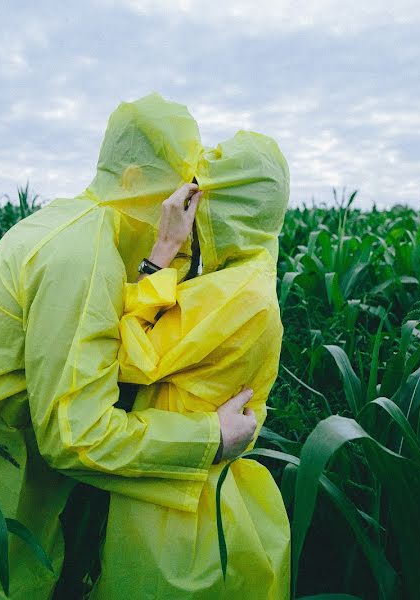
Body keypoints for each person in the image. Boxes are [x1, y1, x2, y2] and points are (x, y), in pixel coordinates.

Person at [0, 93, 259, 599]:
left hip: (12, 477)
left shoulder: (79, 224)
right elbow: (74, 436)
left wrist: (161, 256)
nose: (185, 219)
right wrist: (208, 439)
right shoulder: (81, 257)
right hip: (0, 500)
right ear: (131, 181)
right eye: (174, 197)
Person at [90, 131, 291, 598]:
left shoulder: (233, 295)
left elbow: (127, 358)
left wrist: (158, 256)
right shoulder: (248, 269)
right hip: (205, 485)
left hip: (178, 503)